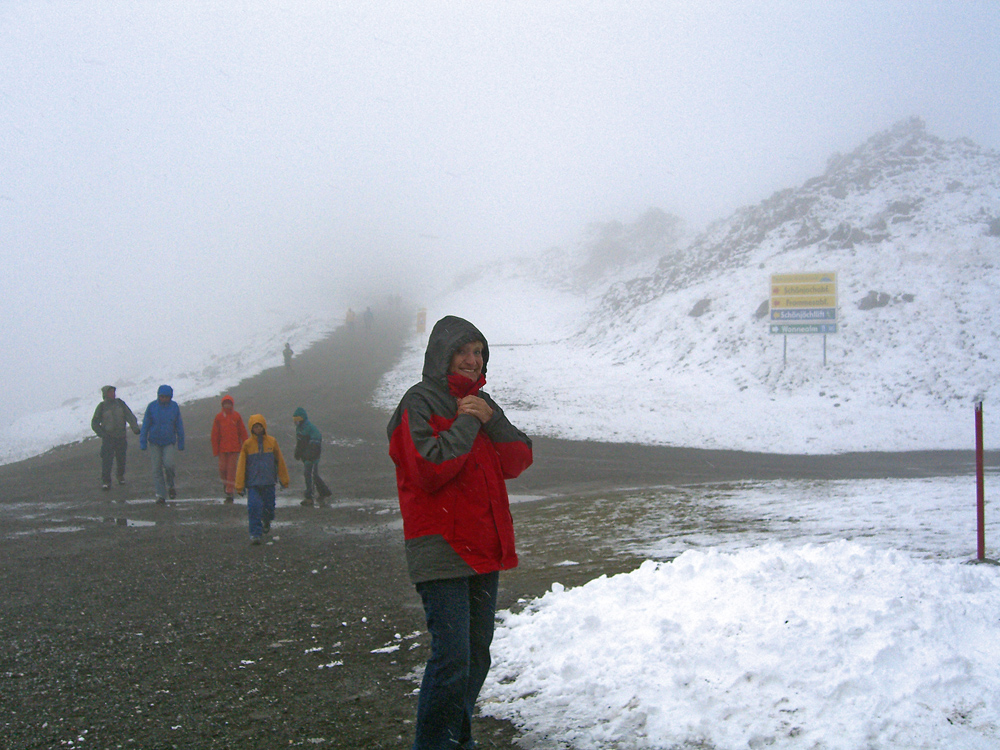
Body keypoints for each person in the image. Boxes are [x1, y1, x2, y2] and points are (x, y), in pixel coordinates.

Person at [387, 315, 533, 750]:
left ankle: (454, 740)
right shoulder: (418, 403)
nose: (472, 360)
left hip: (485, 548)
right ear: (443, 355)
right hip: (442, 548)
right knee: (452, 659)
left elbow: (518, 459)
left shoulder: (481, 404)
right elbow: (429, 468)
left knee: (474, 657)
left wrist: (489, 418)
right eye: (464, 351)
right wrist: (470, 422)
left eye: (479, 353)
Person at [235, 414, 290, 545]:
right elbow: (241, 465)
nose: (258, 429)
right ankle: (255, 534)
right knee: (253, 507)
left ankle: (267, 520)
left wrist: (284, 479)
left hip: (269, 482)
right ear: (251, 429)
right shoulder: (247, 445)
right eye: (255, 427)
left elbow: (280, 461)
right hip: (253, 484)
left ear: (264, 427)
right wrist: (239, 485)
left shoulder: (272, 442)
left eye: (260, 426)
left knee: (269, 507)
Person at [139, 384, 185, 503]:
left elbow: (178, 425)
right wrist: (143, 441)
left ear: (170, 397)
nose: (163, 399)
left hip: (168, 442)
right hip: (154, 442)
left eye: (166, 397)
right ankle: (161, 494)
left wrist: (181, 441)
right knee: (156, 469)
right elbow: (146, 425)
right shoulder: (152, 407)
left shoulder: (174, 407)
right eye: (161, 396)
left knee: (169, 464)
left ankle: (170, 485)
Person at [90, 385, 140, 490]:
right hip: (108, 439)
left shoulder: (120, 403)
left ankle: (120, 476)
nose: (112, 394)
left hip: (121, 437)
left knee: (121, 459)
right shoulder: (102, 407)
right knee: (107, 461)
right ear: (105, 394)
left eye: (113, 392)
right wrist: (102, 434)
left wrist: (135, 428)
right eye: (110, 392)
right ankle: (106, 481)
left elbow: (129, 415)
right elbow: (94, 423)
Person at [210, 395, 248, 503]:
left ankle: (229, 491)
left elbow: (242, 432)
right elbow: (215, 435)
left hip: (234, 448)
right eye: (225, 403)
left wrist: (246, 446)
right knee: (222, 469)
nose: (227, 405)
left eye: (229, 403)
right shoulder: (219, 417)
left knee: (231, 469)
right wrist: (215, 449)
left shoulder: (236, 416)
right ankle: (226, 484)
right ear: (222, 405)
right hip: (222, 449)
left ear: (232, 404)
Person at [293, 407, 332, 507]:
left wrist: (311, 454)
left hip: (312, 457)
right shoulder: (300, 428)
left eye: (298, 420)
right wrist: (298, 452)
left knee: (308, 475)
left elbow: (316, 441)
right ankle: (324, 491)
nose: (296, 422)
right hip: (306, 456)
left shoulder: (310, 428)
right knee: (313, 475)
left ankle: (309, 497)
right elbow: (300, 443)